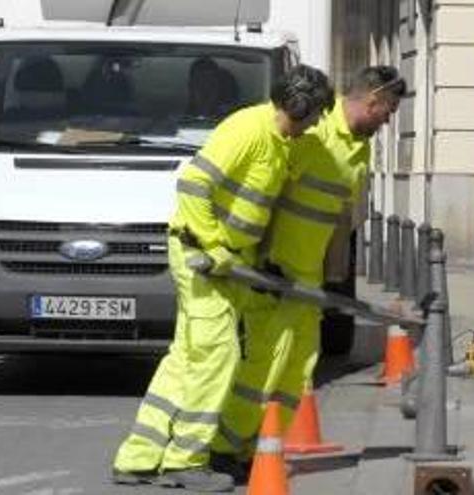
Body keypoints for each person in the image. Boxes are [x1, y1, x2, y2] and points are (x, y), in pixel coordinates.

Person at [111, 64, 334, 493]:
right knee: (218, 356)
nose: (316, 125)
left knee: (187, 357)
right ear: (299, 106)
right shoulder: (248, 130)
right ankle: (185, 461)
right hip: (201, 256)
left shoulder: (282, 140)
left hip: (228, 260)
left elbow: (250, 207)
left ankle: (139, 456)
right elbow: (193, 185)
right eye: (315, 115)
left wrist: (251, 258)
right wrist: (212, 246)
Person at [209, 66, 406, 479]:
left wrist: (334, 273)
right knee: (265, 363)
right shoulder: (314, 133)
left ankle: (263, 449)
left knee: (298, 368)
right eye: (387, 111)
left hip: (307, 281)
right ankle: (226, 447)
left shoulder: (359, 146)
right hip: (277, 273)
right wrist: (264, 258)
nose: (388, 121)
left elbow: (337, 218)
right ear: (371, 101)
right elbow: (267, 193)